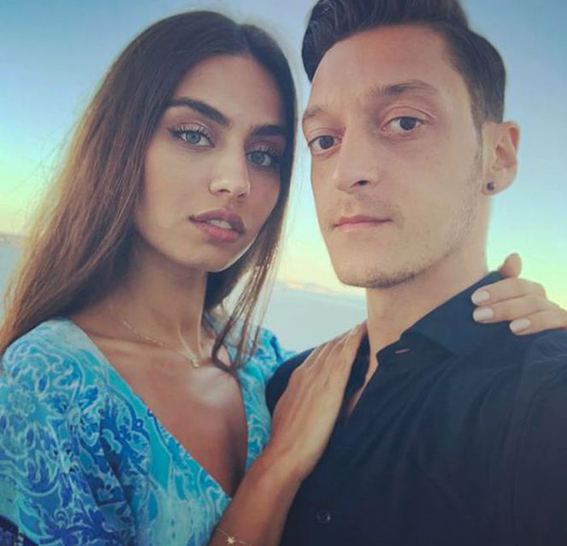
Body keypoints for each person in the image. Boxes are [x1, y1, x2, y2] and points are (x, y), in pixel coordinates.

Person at [0, 7, 563, 546]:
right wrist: (278, 467)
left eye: (265, 154)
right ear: (119, 143)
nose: (235, 181)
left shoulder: (272, 370)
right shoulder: (50, 380)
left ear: (499, 155)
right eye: (193, 134)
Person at [263, 1, 567, 545]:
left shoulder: (544, 405)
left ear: (498, 156)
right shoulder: (287, 388)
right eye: (324, 140)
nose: (348, 172)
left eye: (405, 122)